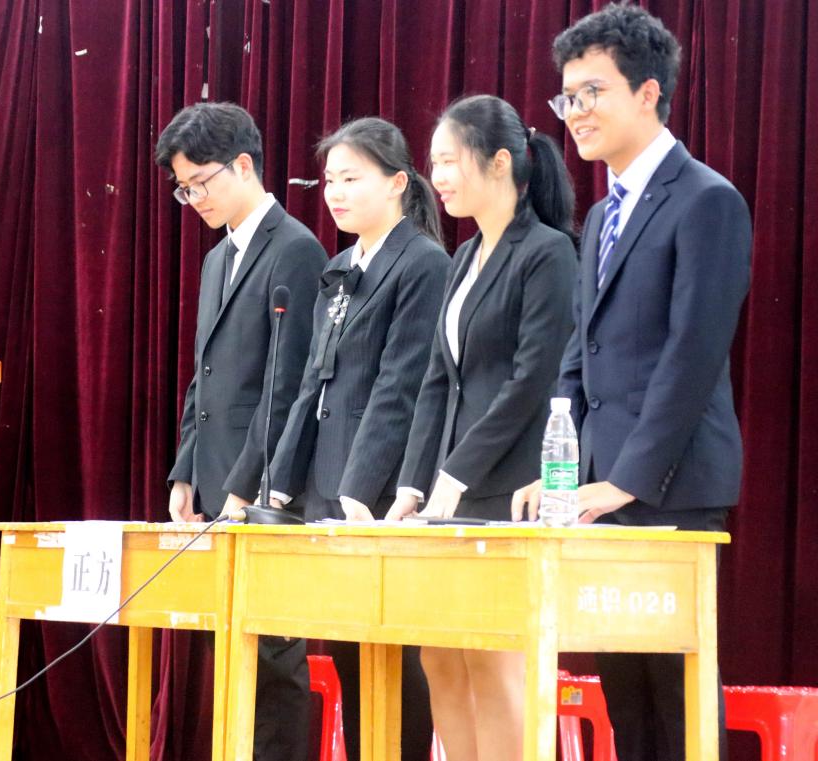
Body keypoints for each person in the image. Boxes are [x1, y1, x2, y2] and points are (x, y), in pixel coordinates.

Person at [512, 5, 752, 760]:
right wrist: (559, 472)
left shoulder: (707, 200)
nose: (576, 112)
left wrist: (627, 480)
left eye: (593, 92)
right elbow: (577, 359)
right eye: (567, 97)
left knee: (677, 700)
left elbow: (693, 357)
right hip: (596, 491)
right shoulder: (604, 215)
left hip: (670, 486)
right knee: (627, 701)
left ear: (648, 93)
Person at [384, 94, 577, 760]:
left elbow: (532, 381)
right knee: (440, 654)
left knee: (493, 661)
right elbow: (437, 381)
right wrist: (413, 484)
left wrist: (458, 473)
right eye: (433, 163)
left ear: (499, 162)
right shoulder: (463, 256)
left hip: (505, 487)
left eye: (449, 161)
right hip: (448, 493)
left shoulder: (548, 252)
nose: (437, 177)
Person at [268, 117, 449, 761]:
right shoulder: (340, 266)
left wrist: (358, 491)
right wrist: (279, 486)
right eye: (329, 181)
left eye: (351, 179)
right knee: (346, 649)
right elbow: (313, 380)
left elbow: (401, 386)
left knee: (391, 655)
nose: (336, 194)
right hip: (327, 486)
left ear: (398, 182)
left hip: (378, 492)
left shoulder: (423, 262)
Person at [154, 101, 327, 761]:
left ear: (244, 165)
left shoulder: (296, 250)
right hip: (215, 481)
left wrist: (245, 486)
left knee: (273, 655)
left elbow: (288, 387)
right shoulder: (216, 259)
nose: (194, 198)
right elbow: (204, 377)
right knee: (230, 651)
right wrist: (185, 471)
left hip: (266, 488)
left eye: (201, 182)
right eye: (184, 189)